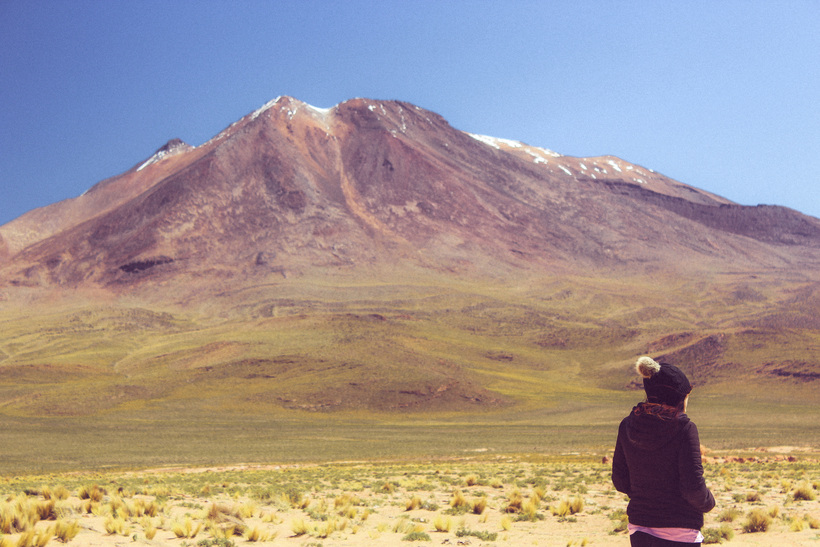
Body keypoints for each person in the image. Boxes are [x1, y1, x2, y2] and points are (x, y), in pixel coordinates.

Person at [612, 356, 715, 546]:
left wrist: (646, 497)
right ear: (679, 399)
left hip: (640, 528)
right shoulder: (685, 428)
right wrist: (709, 502)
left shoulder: (627, 425)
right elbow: (693, 488)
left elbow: (619, 480)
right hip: (680, 531)